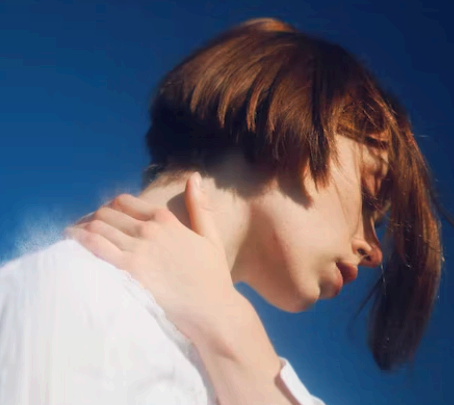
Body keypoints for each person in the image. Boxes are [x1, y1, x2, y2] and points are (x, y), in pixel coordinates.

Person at [0, 18, 446, 405]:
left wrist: (232, 331)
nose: (373, 251)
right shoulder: (78, 299)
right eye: (370, 198)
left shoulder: (213, 352)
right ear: (297, 118)